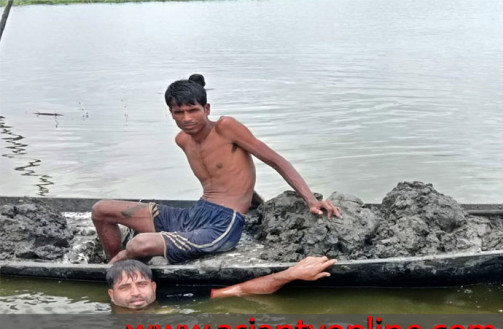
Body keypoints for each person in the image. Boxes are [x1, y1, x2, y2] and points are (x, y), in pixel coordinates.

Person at [92, 74, 341, 264]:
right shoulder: (183, 140)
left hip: (222, 224)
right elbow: (223, 175)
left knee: (138, 244)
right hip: (194, 214)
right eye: (179, 112)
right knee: (101, 210)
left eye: (193, 110)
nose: (187, 118)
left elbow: (275, 160)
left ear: (206, 109)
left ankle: (122, 262)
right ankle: (115, 270)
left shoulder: (226, 127)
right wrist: (254, 200)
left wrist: (310, 200)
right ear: (171, 113)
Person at [107, 256, 337, 310]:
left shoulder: (179, 300)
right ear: (111, 295)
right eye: (125, 287)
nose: (136, 293)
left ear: (154, 287)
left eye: (141, 284)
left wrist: (291, 274)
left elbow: (240, 289)